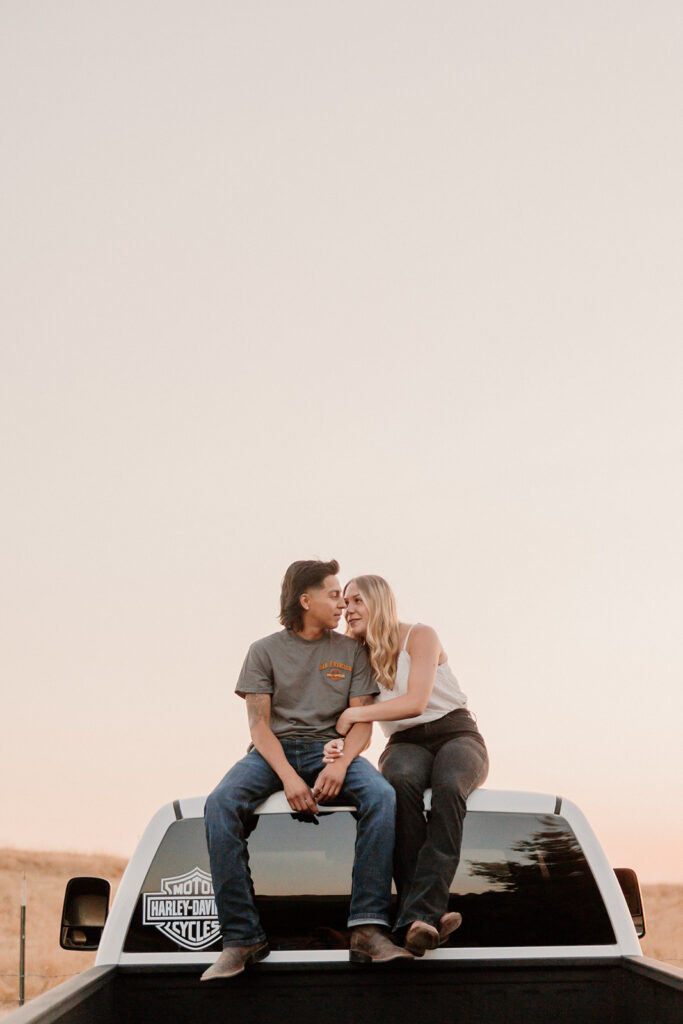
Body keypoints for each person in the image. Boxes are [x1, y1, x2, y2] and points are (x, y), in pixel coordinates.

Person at [202, 560, 413, 981]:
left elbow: (361, 722)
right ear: (306, 600)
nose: (343, 604)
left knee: (382, 795)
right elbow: (259, 726)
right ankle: (243, 938)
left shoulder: (352, 650)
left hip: (331, 750)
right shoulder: (263, 651)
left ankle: (368, 928)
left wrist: (343, 764)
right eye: (334, 594)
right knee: (219, 804)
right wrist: (288, 777)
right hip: (271, 754)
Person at [325, 575, 489, 956]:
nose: (347, 609)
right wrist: (337, 745)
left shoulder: (420, 636)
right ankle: (426, 919)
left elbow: (416, 701)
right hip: (405, 743)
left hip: (455, 733)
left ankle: (418, 916)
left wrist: (351, 713)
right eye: (345, 603)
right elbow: (359, 722)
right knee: (396, 785)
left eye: (356, 601)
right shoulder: (354, 655)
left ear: (380, 602)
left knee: (450, 787)